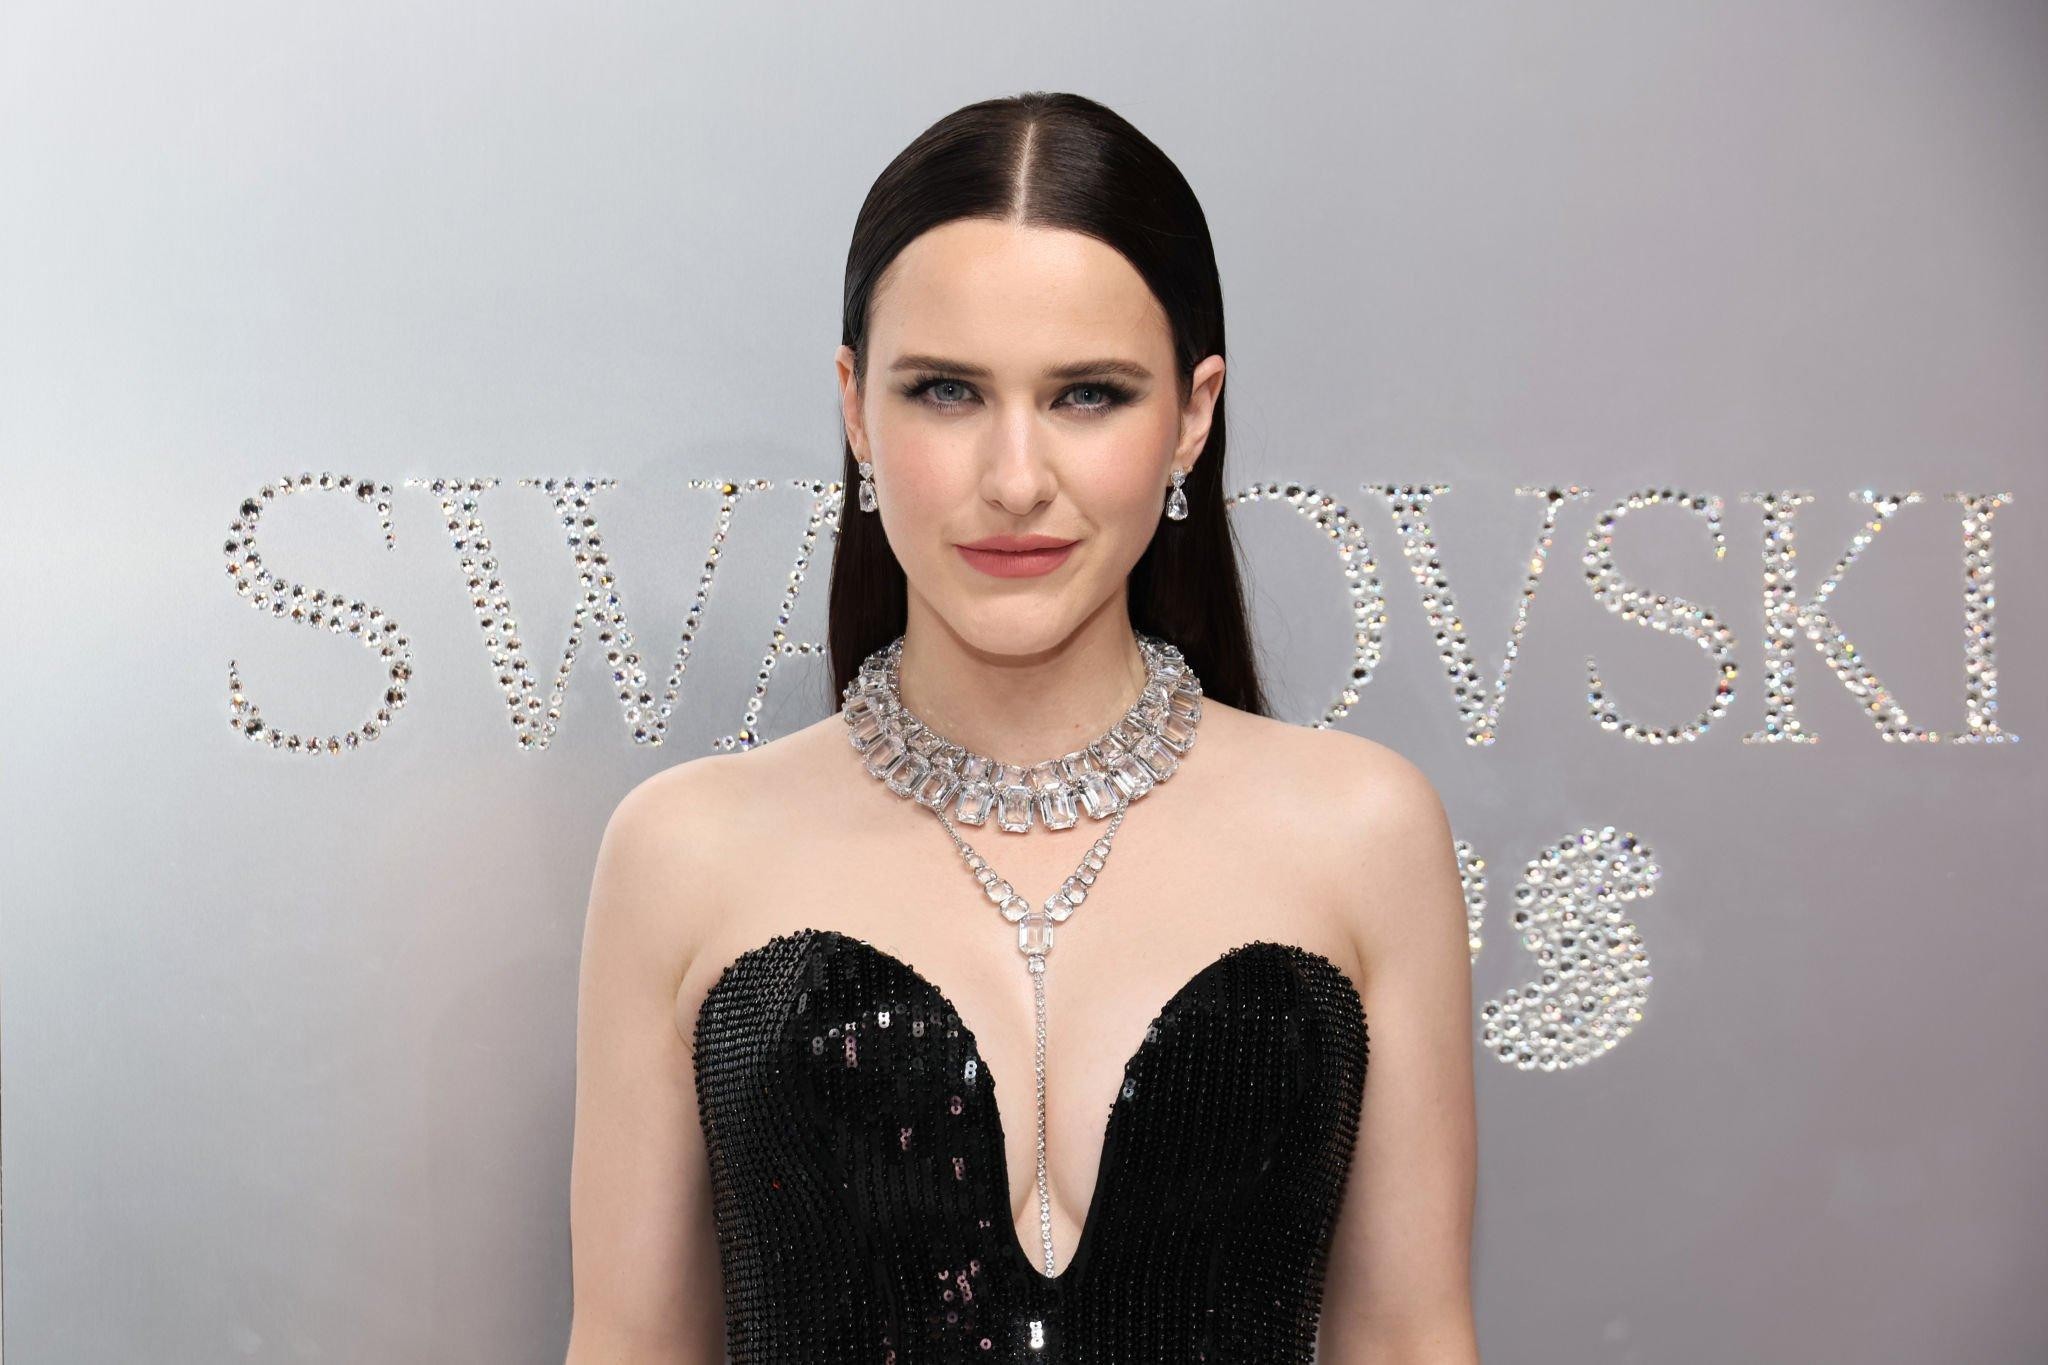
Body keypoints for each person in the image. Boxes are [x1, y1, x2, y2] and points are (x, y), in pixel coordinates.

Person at [565, 90, 1478, 1363]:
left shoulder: (1359, 832)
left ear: (1192, 415)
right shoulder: (684, 852)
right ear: (854, 406)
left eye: (1087, 395)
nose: (1013, 480)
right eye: (945, 391)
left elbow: (1409, 1340)